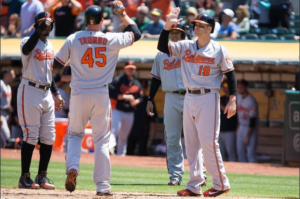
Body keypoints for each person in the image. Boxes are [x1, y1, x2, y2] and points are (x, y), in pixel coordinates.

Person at [53, 3, 141, 196]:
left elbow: (56, 64)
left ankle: (72, 168)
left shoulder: (73, 38)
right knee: (101, 140)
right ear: (102, 21)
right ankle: (102, 186)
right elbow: (136, 32)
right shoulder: (111, 38)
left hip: (78, 91)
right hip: (101, 92)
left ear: (85, 20)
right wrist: (122, 13)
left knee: (75, 134)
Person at [157, 8, 237, 197]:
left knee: (209, 142)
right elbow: (162, 47)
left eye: (201, 25)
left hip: (208, 97)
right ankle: (194, 185)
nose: (197, 27)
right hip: (189, 96)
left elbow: (230, 74)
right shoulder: (186, 45)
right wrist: (167, 26)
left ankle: (221, 184)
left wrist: (232, 98)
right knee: (191, 144)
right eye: (195, 24)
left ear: (210, 28)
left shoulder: (218, 49)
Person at [18, 11, 65, 189]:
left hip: (46, 92)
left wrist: (57, 93)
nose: (48, 26)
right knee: (30, 135)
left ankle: (42, 176)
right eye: (44, 23)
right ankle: (24, 177)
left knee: (48, 137)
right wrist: (38, 29)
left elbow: (49, 74)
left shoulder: (50, 45)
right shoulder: (27, 40)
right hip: (29, 89)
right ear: (36, 25)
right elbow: (26, 50)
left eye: (49, 23)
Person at [109, 64, 143, 156]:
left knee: (124, 135)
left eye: (132, 69)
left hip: (130, 112)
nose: (131, 70)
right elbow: (111, 93)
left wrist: (136, 101)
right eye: (129, 68)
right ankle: (110, 148)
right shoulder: (118, 80)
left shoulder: (136, 82)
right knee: (114, 131)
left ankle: (121, 154)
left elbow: (141, 97)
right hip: (117, 110)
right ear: (125, 69)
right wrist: (125, 97)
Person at [127, 80, 157, 156]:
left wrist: (153, 131)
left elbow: (153, 117)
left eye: (144, 87)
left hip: (143, 130)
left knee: (142, 152)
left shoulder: (149, 101)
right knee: (129, 151)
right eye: (141, 87)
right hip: (131, 129)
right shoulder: (132, 99)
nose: (142, 89)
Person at [236, 79, 258, 163]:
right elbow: (238, 114)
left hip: (250, 128)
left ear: (246, 88)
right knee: (240, 152)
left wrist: (247, 136)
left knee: (250, 153)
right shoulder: (238, 97)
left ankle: (254, 172)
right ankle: (243, 171)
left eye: (242, 87)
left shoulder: (251, 101)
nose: (240, 88)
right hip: (241, 126)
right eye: (238, 87)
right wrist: (237, 128)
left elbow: (252, 120)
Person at [219, 81, 237, 162]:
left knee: (231, 152)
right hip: (220, 129)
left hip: (230, 130)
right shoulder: (221, 98)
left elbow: (232, 113)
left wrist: (221, 106)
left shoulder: (234, 100)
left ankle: (235, 170)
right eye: (223, 85)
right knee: (220, 153)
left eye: (226, 84)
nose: (225, 87)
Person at [0, 67, 15, 148]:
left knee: (2, 142)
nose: (14, 76)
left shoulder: (8, 87)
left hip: (6, 115)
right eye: (12, 74)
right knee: (8, 139)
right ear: (6, 75)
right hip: (1, 114)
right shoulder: (1, 84)